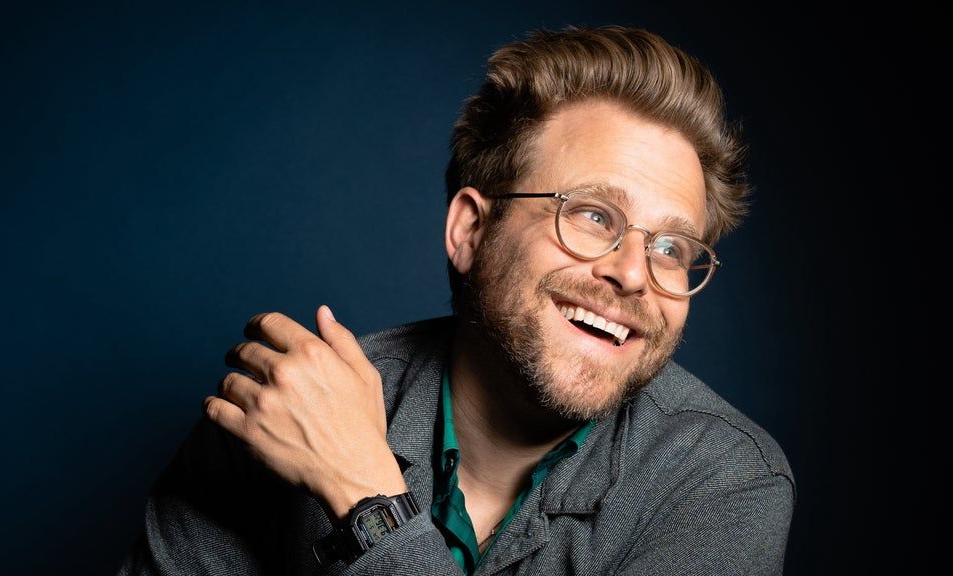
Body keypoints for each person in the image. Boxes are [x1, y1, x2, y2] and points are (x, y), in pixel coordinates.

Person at [117, 25, 794, 575]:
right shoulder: (278, 415)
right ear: (470, 230)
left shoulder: (723, 482)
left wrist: (365, 499)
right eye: (592, 215)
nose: (635, 274)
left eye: (671, 247)